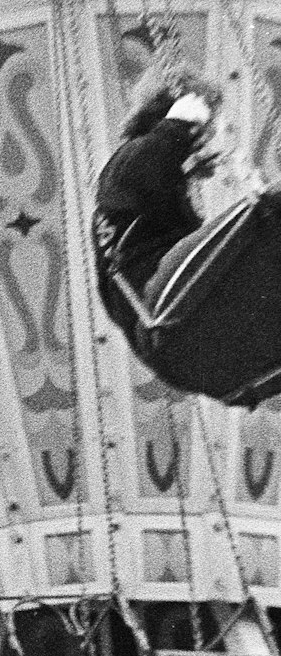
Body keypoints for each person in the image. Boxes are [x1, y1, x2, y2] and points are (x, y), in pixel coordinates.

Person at [92, 67, 281, 404]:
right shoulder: (124, 164)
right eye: (203, 131)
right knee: (268, 213)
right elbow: (139, 176)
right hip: (166, 308)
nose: (205, 140)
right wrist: (177, 126)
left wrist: (184, 164)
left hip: (196, 358)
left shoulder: (155, 200)